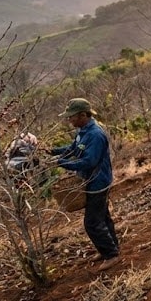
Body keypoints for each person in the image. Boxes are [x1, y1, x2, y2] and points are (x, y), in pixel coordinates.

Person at [50, 98, 121, 272]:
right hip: (90, 181)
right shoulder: (83, 131)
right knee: (102, 217)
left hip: (97, 182)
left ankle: (111, 255)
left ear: (83, 115)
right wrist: (53, 152)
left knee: (92, 222)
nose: (70, 120)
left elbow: (89, 161)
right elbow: (75, 148)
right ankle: (111, 248)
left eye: (72, 117)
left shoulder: (95, 134)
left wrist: (62, 163)